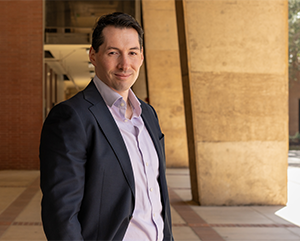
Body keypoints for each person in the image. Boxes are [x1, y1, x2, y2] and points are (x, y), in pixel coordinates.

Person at [39, 12, 173, 241]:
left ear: (141, 57)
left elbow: (157, 196)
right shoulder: (71, 117)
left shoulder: (148, 114)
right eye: (113, 53)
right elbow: (61, 215)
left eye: (132, 53)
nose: (125, 64)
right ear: (93, 55)